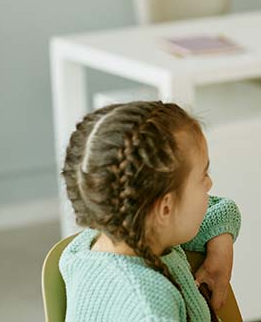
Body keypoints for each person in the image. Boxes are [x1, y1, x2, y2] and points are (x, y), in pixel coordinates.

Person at [59, 101, 241, 322]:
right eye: (203, 175)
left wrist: (221, 246)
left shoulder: (114, 234)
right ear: (165, 208)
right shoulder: (149, 310)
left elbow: (218, 211)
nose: (210, 184)